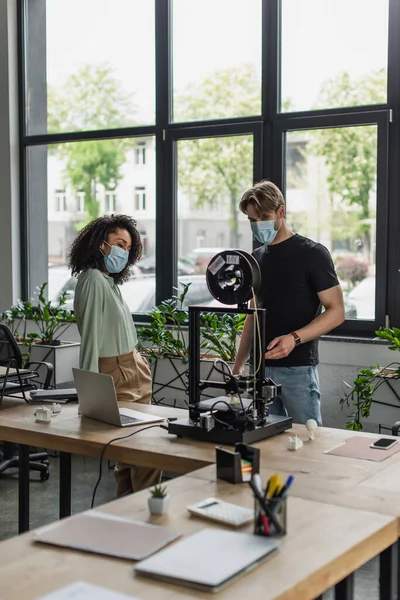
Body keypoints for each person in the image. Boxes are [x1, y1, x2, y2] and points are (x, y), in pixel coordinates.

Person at [232, 181, 345, 425]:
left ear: (281, 212)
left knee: (308, 446)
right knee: (266, 447)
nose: (258, 224)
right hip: (259, 370)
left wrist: (293, 338)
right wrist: (238, 365)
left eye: (263, 217)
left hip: (297, 372)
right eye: (252, 220)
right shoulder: (256, 258)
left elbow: (336, 312)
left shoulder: (313, 253)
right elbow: (253, 315)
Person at [69, 214, 161, 497]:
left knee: (129, 458)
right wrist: (87, 397)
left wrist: (137, 359)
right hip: (117, 374)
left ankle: (128, 523)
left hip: (133, 368)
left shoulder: (108, 281)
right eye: (119, 243)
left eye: (128, 247)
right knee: (145, 455)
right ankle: (146, 522)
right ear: (101, 245)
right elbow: (91, 340)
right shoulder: (94, 279)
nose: (124, 251)